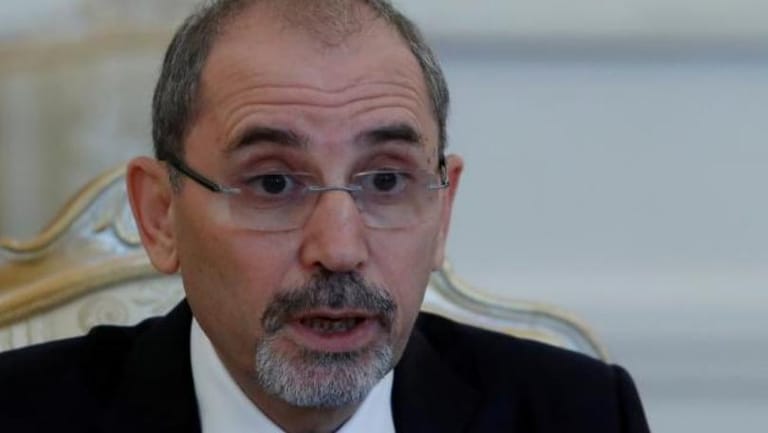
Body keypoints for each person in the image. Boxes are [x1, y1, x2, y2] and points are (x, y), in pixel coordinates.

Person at [0, 0, 651, 432]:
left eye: (386, 180)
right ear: (161, 216)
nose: (339, 249)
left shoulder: (581, 415)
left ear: (443, 207)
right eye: (274, 183)